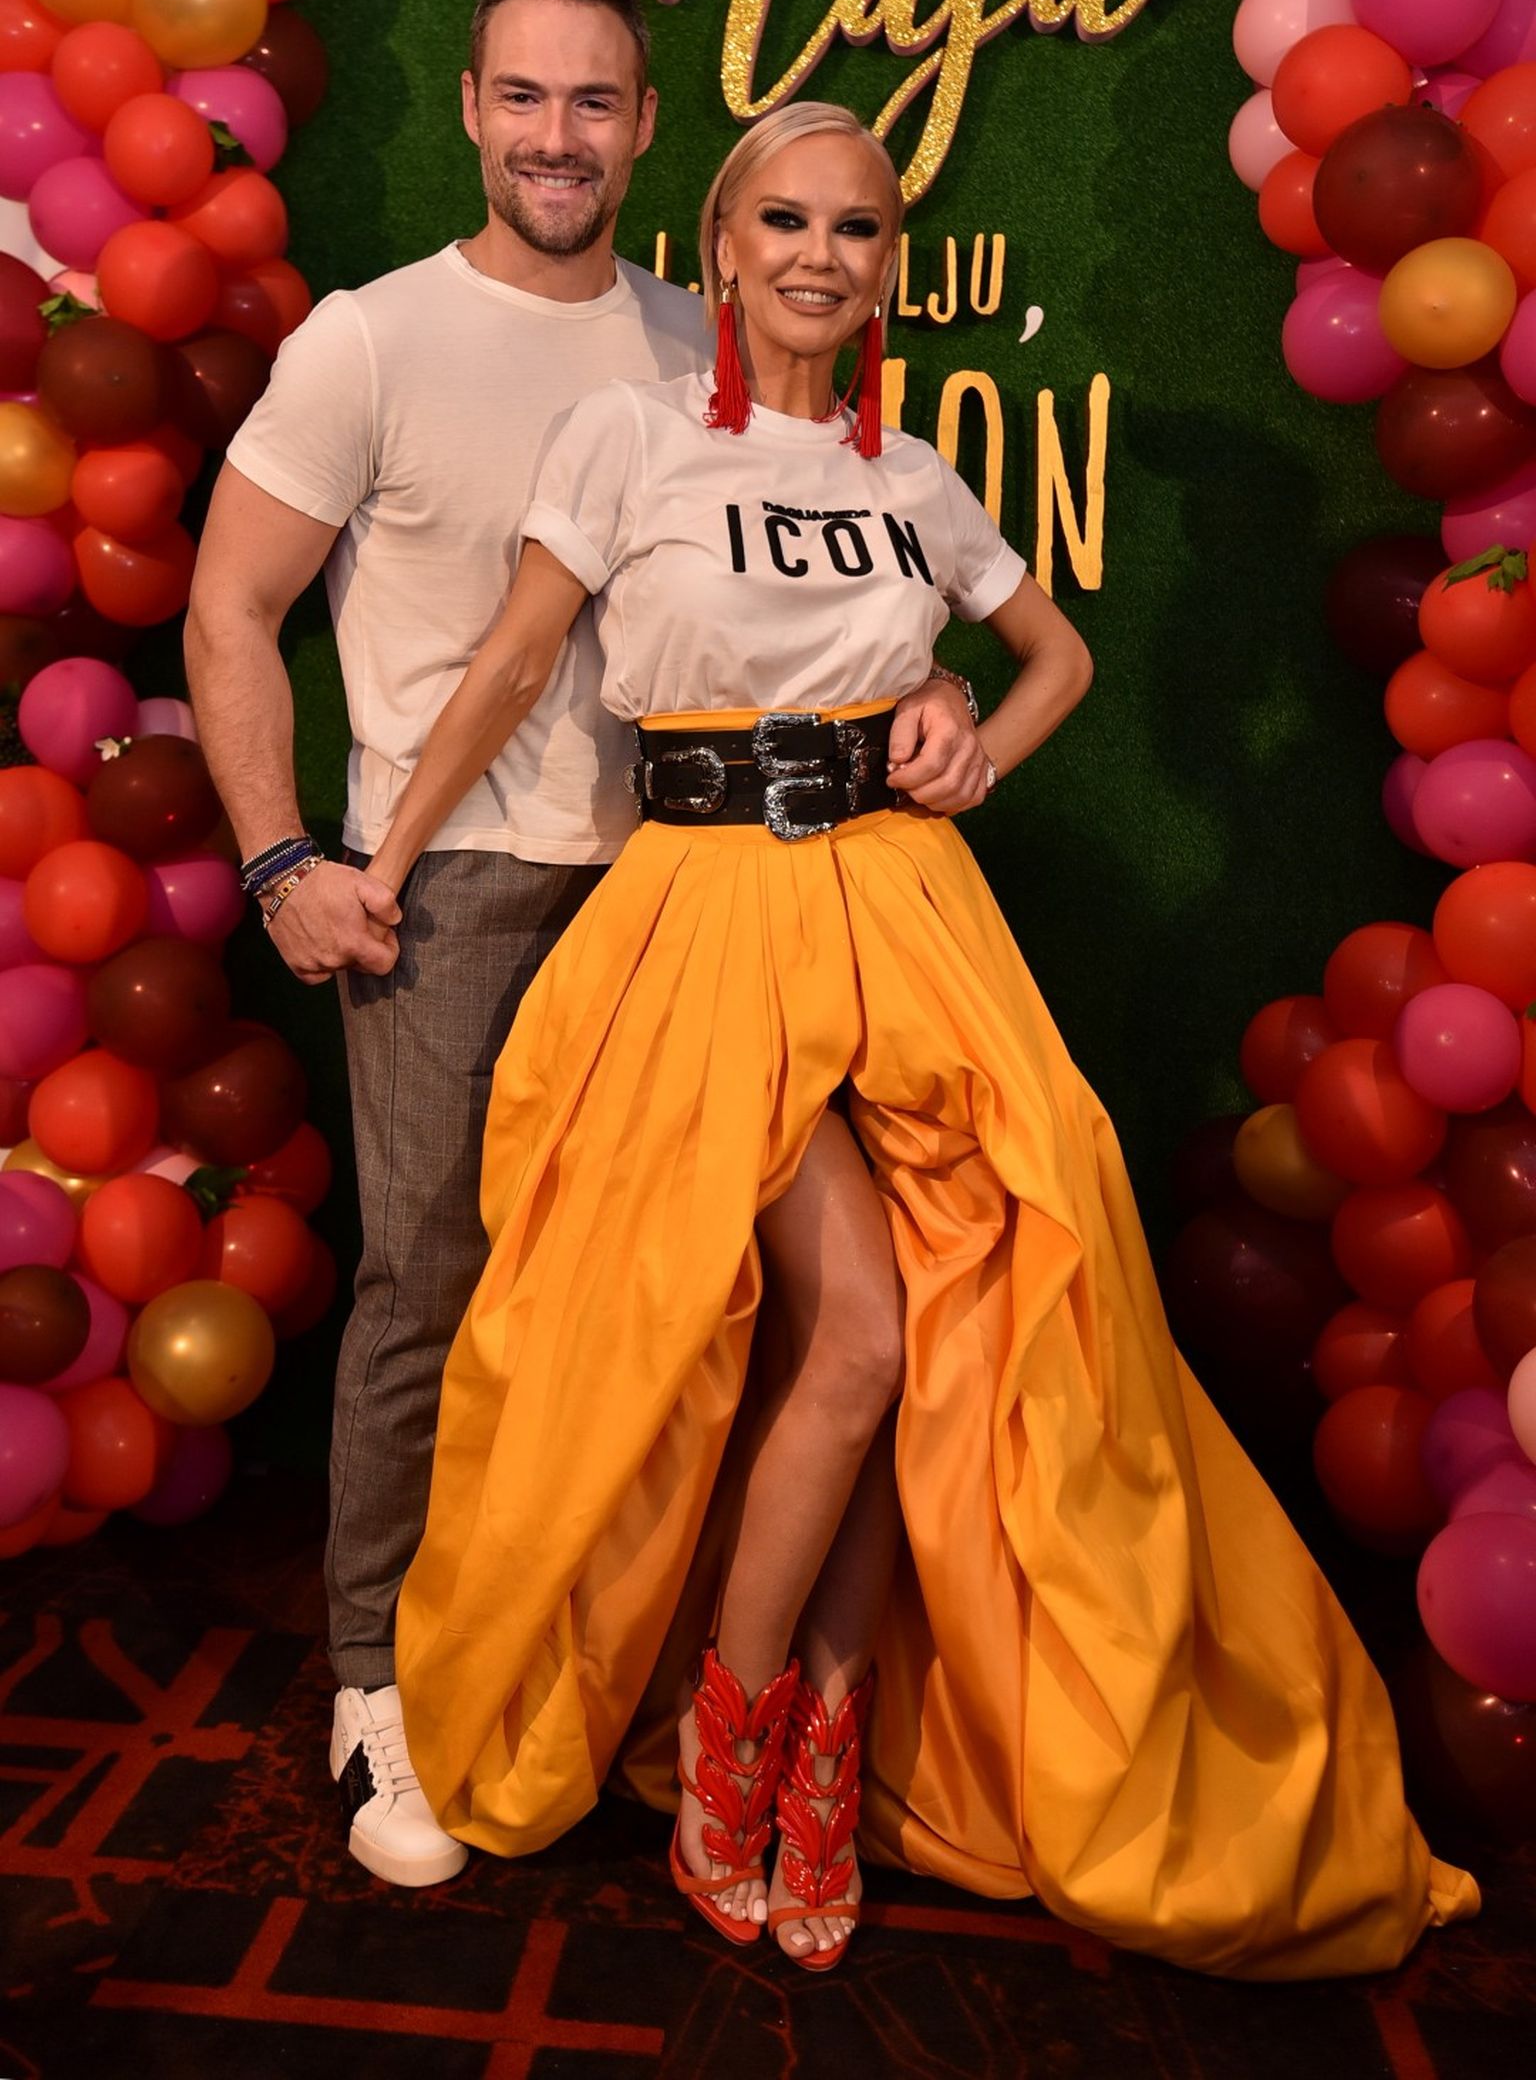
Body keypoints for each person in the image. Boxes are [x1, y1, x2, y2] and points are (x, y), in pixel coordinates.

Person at [365, 99, 1478, 1974]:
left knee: (960, 1320)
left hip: (902, 911)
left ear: (889, 266)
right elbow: (515, 658)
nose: (820, 255)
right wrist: (383, 865)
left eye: (858, 228)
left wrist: (972, 743)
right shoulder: (630, 433)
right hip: (707, 920)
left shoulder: (915, 474)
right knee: (857, 1329)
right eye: (786, 221)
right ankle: (726, 1744)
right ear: (721, 248)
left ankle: (829, 1738)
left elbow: (1061, 658)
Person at [185, 0, 984, 1892]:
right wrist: (287, 859)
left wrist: (941, 692)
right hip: (452, 888)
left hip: (690, 893)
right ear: (472, 108)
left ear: (646, 133)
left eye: (597, 102)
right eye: (525, 98)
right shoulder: (372, 341)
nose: (559, 136)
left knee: (669, 1310)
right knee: (434, 1286)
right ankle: (381, 1677)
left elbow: (816, 595)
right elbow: (229, 611)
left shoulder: (705, 336)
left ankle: (597, 1670)